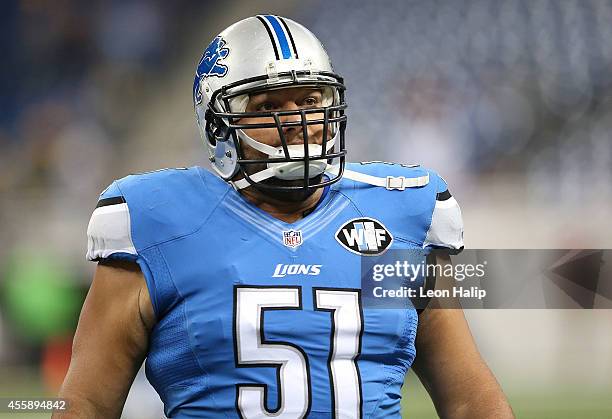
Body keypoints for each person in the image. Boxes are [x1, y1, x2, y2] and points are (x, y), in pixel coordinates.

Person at [56, 15, 514, 418]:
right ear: (219, 126)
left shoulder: (401, 214)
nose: (297, 119)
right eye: (269, 106)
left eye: (310, 99)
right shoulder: (156, 221)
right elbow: (87, 404)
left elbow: (469, 399)